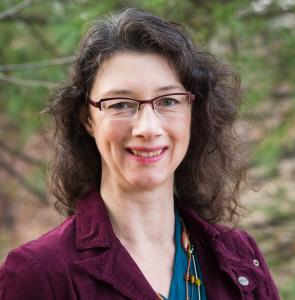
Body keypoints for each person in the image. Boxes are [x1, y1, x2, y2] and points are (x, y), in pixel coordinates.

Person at [0, 8, 280, 300]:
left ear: (192, 113)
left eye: (168, 101)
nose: (148, 127)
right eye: (120, 104)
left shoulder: (240, 257)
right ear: (87, 119)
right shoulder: (40, 274)